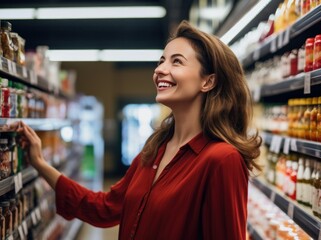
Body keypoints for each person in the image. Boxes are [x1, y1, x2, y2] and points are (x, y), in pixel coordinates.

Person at [17, 20, 261, 240]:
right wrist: (40, 163)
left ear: (208, 81)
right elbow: (104, 208)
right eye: (161, 61)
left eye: (176, 61)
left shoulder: (222, 159)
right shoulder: (154, 151)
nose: (160, 70)